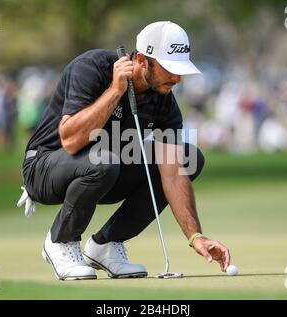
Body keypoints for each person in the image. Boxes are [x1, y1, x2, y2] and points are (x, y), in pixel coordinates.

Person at [17, 21, 231, 280]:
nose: (178, 78)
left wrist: (195, 236)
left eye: (181, 70)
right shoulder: (92, 68)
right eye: (170, 69)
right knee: (103, 160)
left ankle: (106, 245)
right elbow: (71, 140)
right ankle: (60, 241)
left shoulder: (163, 101)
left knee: (188, 158)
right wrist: (115, 90)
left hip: (105, 168)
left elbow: (173, 174)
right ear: (142, 60)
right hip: (44, 166)